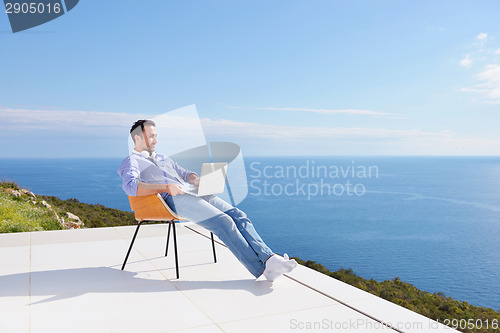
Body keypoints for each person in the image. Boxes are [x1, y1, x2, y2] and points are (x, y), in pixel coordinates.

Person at [117, 119, 297, 281]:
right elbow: (131, 187)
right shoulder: (132, 162)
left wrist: (195, 180)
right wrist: (165, 187)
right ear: (137, 138)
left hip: (192, 192)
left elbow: (185, 173)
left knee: (238, 215)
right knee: (224, 222)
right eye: (151, 136)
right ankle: (263, 269)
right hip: (171, 200)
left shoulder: (163, 159)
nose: (156, 140)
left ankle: (269, 258)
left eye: (156, 136)